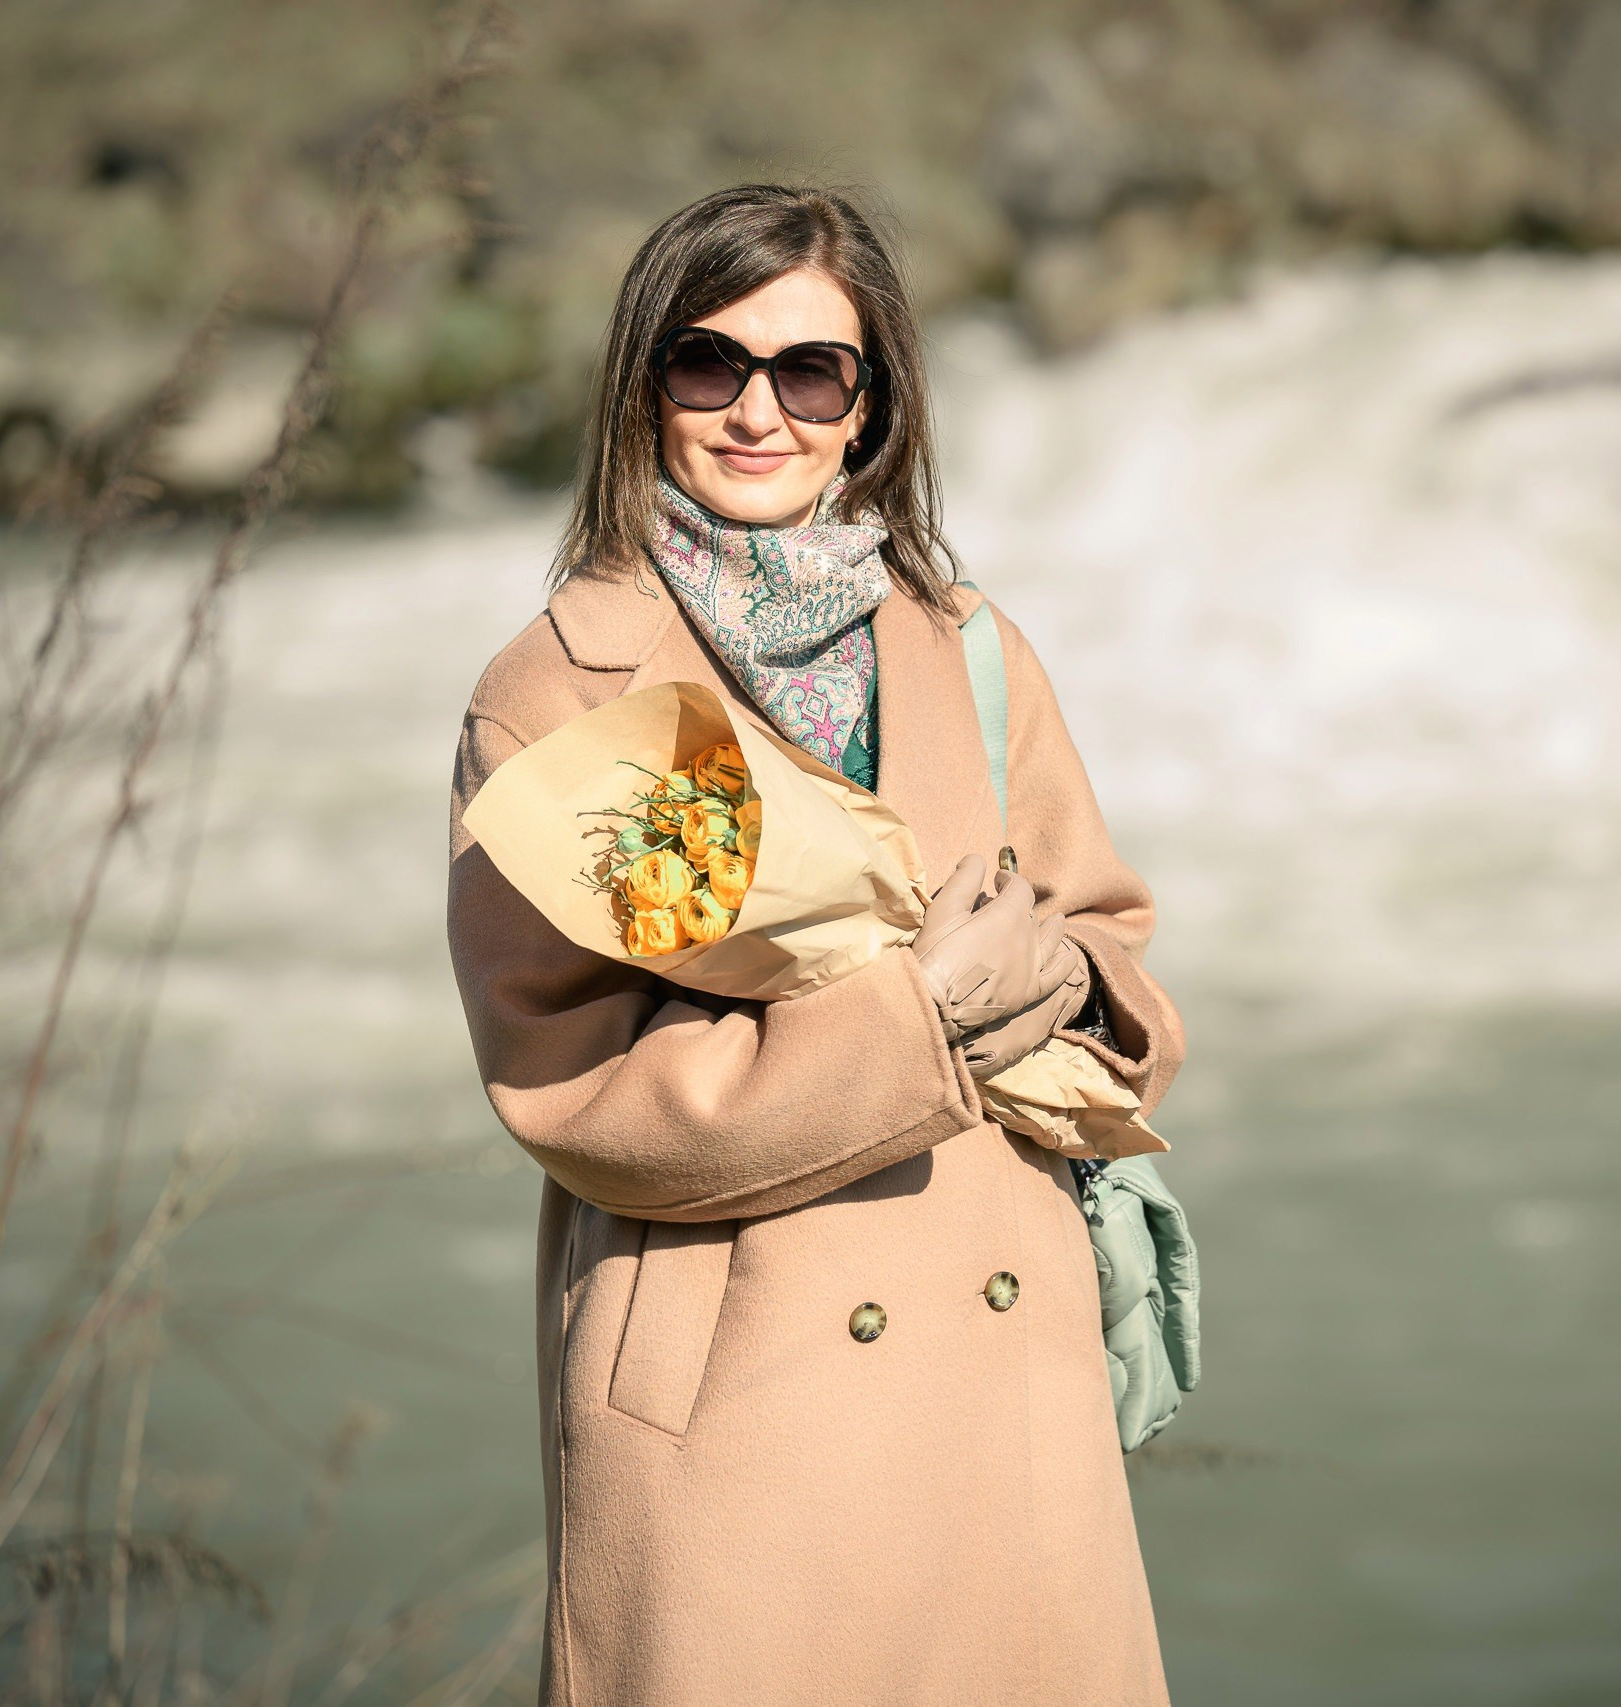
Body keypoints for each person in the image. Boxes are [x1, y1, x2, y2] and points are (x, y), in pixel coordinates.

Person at [445, 183, 1185, 1704]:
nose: (756, 412)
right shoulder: (564, 694)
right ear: (644, 390)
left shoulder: (963, 642)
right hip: (744, 1409)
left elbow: (1114, 945)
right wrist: (914, 1022)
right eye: (708, 365)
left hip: (1004, 1391)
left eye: (810, 373)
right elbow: (575, 1095)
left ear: (871, 406)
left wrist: (1074, 981)